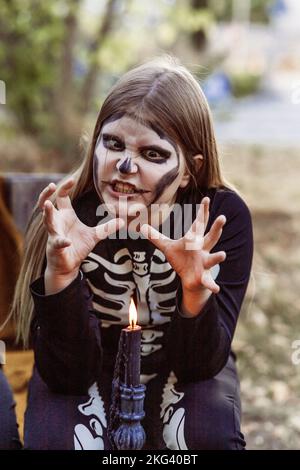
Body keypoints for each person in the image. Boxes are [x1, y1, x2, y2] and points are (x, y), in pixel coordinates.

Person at [10, 56, 253, 450]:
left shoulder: (216, 217)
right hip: (87, 363)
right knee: (57, 442)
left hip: (181, 363)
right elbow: (64, 373)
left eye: (152, 154)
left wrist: (194, 296)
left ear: (190, 169)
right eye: (113, 143)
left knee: (206, 436)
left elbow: (201, 366)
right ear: (95, 144)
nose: (124, 165)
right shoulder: (71, 212)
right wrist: (62, 277)